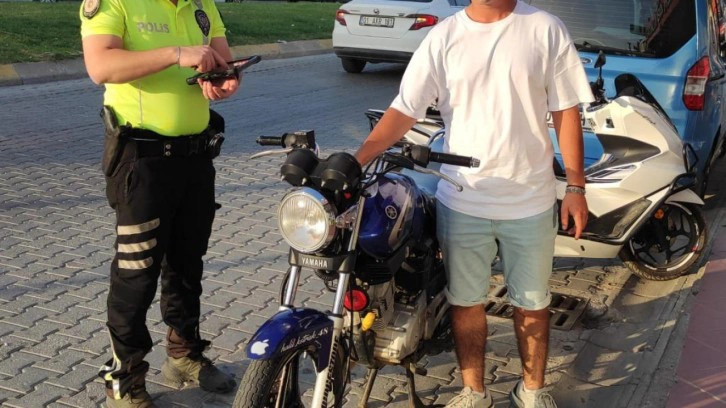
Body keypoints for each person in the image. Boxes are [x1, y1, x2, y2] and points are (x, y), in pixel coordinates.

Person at [354, 1, 592, 407]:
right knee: (465, 303)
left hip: (530, 200)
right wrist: (357, 160)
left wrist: (576, 187)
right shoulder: (444, 37)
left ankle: (532, 391)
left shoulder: (545, 28)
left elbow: (565, 111)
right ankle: (473, 392)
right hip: (463, 199)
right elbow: (405, 108)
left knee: (533, 305)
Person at [79, 0, 240, 406]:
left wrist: (225, 78)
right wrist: (175, 53)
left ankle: (184, 355)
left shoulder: (201, 4)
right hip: (142, 160)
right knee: (136, 274)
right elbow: (100, 66)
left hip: (196, 157)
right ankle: (125, 377)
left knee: (187, 263)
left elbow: (223, 60)